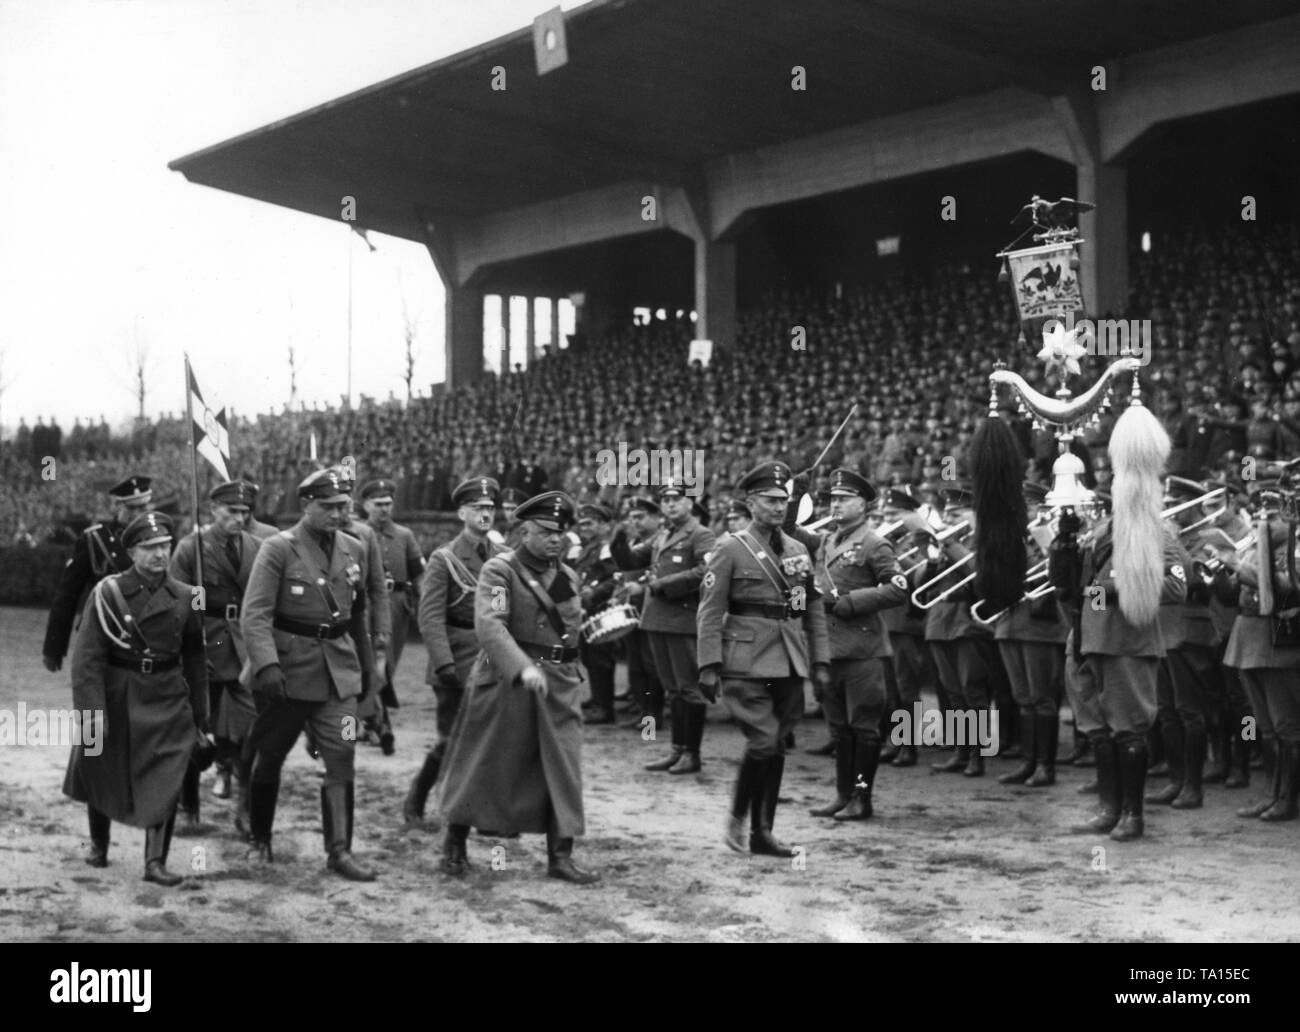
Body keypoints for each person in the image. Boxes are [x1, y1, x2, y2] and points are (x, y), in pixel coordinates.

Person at [436, 491, 600, 884]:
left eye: (561, 533)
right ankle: (454, 843)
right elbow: (491, 625)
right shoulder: (500, 571)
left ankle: (560, 856)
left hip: (558, 684)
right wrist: (522, 668)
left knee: (564, 766)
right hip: (509, 680)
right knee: (486, 765)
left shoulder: (568, 576)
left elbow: (570, 631)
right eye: (545, 532)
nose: (555, 539)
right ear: (524, 530)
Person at [239, 467, 380, 881]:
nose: (339, 514)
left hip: (338, 673)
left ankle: (340, 851)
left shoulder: (355, 548)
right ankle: (259, 839)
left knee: (341, 755)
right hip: (286, 673)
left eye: (344, 506)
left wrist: (368, 672)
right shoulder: (279, 549)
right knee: (271, 757)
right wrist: (266, 665)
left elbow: (358, 617)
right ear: (307, 505)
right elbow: (256, 613)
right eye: (330, 507)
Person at [62, 511, 208, 886]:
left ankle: (155, 862)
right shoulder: (107, 593)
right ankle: (99, 846)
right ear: (131, 551)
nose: (160, 554)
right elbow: (87, 659)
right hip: (117, 692)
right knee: (102, 766)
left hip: (167, 696)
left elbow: (194, 656)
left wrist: (200, 712)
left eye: (165, 546)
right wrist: (93, 713)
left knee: (167, 775)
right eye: (150, 548)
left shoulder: (189, 596)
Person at [697, 461, 830, 856]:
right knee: (765, 741)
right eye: (770, 500)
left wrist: (820, 662)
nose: (778, 507)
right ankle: (738, 820)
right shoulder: (729, 548)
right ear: (751, 503)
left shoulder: (797, 550)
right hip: (745, 661)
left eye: (783, 500)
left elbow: (810, 609)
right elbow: (709, 610)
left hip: (788, 660)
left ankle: (763, 832)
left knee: (776, 746)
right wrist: (708, 665)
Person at [796, 469, 907, 820]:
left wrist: (850, 600)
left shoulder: (875, 543)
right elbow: (786, 531)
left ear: (863, 504)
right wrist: (795, 494)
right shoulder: (828, 541)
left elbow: (898, 588)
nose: (837, 504)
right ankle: (843, 795)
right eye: (833, 499)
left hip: (862, 651)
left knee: (864, 726)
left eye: (844, 499)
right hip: (829, 648)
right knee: (840, 728)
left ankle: (862, 798)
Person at [404, 476, 503, 823]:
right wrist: (444, 663)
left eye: (490, 508)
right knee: (452, 741)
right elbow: (429, 617)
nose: (485, 513)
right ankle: (419, 795)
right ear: (462, 512)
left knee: (488, 739)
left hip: (493, 659)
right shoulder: (444, 559)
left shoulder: (504, 557)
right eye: (478, 508)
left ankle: (478, 807)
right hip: (456, 660)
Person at [168, 479, 261, 835]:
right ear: (212, 510)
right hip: (204, 646)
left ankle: (245, 811)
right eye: (231, 511)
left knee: (250, 733)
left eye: (244, 511)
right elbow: (174, 602)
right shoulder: (190, 549)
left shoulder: (257, 546)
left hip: (244, 651)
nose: (239, 517)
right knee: (195, 731)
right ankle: (188, 806)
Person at [610, 479, 717, 774]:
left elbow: (706, 570)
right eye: (666, 501)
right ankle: (677, 750)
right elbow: (631, 559)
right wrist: (618, 541)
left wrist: (663, 586)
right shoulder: (663, 534)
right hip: (656, 619)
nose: (670, 505)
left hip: (681, 620)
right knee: (672, 688)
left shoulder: (700, 534)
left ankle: (691, 753)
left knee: (688, 688)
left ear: (690, 503)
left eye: (676, 499)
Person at [43, 475, 152, 673]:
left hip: (150, 634)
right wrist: (54, 647)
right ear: (118, 506)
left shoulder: (160, 538)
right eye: (131, 508)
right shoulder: (95, 540)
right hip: (105, 635)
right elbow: (67, 595)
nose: (138, 514)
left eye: (143, 508)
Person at [361, 478, 424, 708]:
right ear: (366, 505)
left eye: (388, 503)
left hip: (398, 603)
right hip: (367, 602)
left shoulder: (404, 535)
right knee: (370, 658)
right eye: (378, 504)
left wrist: (424, 605)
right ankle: (373, 712)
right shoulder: (357, 533)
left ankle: (374, 709)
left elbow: (418, 574)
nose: (384, 508)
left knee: (391, 656)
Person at [573, 503, 621, 724]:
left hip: (601, 610)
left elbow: (615, 579)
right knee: (590, 657)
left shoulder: (606, 548)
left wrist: (594, 593)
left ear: (603, 525)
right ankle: (597, 699)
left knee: (600, 658)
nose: (584, 528)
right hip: (587, 610)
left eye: (590, 523)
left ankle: (604, 707)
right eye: (581, 524)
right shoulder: (589, 547)